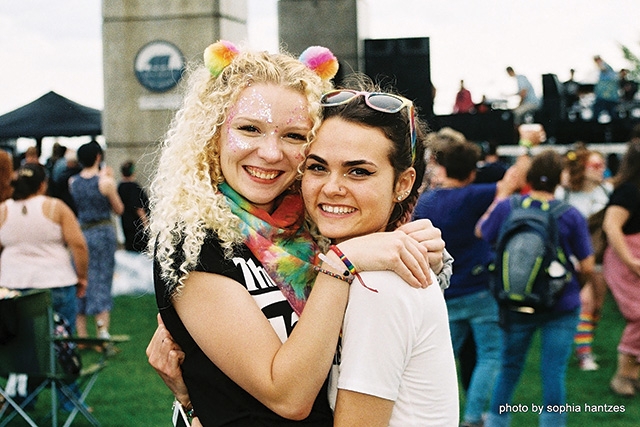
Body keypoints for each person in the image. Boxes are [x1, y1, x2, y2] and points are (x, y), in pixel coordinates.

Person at [148, 41, 448, 426]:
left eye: (293, 136)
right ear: (213, 133)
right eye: (249, 129)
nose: (271, 153)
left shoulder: (313, 225)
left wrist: (427, 257)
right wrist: (340, 266)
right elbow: (287, 397)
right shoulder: (194, 241)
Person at [305, 82, 458, 426]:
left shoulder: (378, 285)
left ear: (403, 184)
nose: (331, 187)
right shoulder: (357, 267)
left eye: (358, 171)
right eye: (317, 167)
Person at [413, 138, 527, 427]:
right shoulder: (477, 195)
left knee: (439, 359)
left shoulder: (426, 201)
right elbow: (515, 178)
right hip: (479, 291)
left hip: (444, 291)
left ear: (443, 167)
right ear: (472, 172)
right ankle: (474, 417)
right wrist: (526, 145)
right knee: (490, 356)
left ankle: (430, 416)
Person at [477, 149, 595, 427]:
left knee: (509, 367)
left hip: (514, 299)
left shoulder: (509, 207)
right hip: (561, 303)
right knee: (553, 371)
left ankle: (496, 421)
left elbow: (482, 231)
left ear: (529, 177)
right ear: (560, 178)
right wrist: (576, 284)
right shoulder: (570, 215)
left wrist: (502, 195)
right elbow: (588, 265)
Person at [0, 163, 89, 411]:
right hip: (56, 282)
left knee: (21, 343)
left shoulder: (3, 210)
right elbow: (78, 244)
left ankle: (23, 398)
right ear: (42, 184)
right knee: (62, 342)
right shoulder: (55, 207)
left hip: (12, 285)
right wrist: (82, 276)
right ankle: (68, 399)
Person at [555, 148, 612, 371]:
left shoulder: (608, 191)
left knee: (597, 305)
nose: (601, 170)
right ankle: (584, 354)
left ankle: (583, 341)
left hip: (600, 255)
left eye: (602, 165)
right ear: (582, 168)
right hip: (573, 257)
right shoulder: (564, 193)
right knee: (585, 302)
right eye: (595, 165)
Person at [69, 140, 124, 340]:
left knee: (81, 279)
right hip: (102, 233)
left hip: (82, 232)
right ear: (98, 157)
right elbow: (119, 209)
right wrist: (111, 179)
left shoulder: (73, 182)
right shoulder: (105, 182)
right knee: (101, 279)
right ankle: (102, 332)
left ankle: (82, 334)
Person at [602, 135, 640, 397]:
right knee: (638, 315)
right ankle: (623, 375)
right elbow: (611, 225)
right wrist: (630, 261)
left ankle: (632, 375)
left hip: (633, 257)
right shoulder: (629, 191)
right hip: (626, 259)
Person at [117, 160, 149, 252]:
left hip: (125, 222)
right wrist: (146, 223)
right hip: (137, 226)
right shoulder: (134, 187)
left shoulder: (120, 187)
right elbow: (138, 208)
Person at [592, 55, 619, 122]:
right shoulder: (607, 72)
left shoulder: (605, 66)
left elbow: (604, 69)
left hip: (606, 97)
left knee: (599, 112)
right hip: (606, 96)